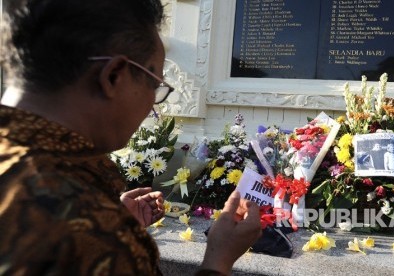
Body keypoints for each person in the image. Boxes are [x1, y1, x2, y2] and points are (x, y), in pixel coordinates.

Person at [0, 0, 261, 275]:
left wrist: (113, 219)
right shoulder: (90, 229)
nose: (153, 105)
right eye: (155, 84)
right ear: (113, 76)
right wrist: (218, 260)